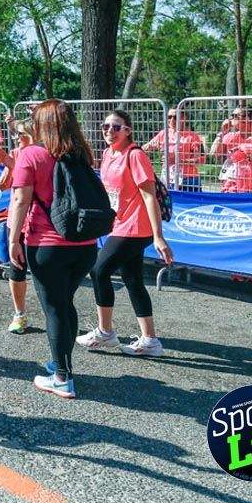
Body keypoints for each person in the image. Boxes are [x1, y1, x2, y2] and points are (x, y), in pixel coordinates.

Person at [6, 99, 99, 400]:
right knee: (65, 304)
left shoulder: (31, 154)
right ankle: (63, 363)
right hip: (84, 243)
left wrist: (13, 238)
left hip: (47, 244)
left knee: (55, 308)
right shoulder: (82, 153)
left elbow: (20, 200)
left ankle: (62, 376)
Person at [77, 110, 174, 358]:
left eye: (116, 127)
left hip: (135, 228)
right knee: (133, 280)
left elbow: (149, 196)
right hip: (119, 224)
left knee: (99, 270)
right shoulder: (108, 154)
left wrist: (158, 236)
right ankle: (150, 340)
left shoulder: (136, 155)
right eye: (105, 126)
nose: (109, 131)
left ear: (128, 131)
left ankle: (105, 332)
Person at [0, 117, 34, 334]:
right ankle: (19, 313)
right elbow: (3, 186)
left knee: (43, 273)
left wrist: (15, 166)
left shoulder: (44, 155)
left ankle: (56, 315)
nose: (16, 138)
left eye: (21, 134)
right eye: (15, 134)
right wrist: (10, 167)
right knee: (17, 268)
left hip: (39, 223)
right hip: (16, 221)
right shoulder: (15, 154)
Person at [211, 107, 252, 192]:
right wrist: (222, 132)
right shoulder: (230, 136)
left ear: (248, 119)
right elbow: (214, 153)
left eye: (235, 116)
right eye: (231, 115)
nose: (230, 118)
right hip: (232, 181)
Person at [143, 108, 206, 191]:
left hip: (188, 179)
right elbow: (145, 148)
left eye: (175, 117)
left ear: (184, 118)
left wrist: (178, 160)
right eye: (169, 117)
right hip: (167, 178)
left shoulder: (193, 136)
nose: (172, 120)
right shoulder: (163, 133)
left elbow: (201, 160)